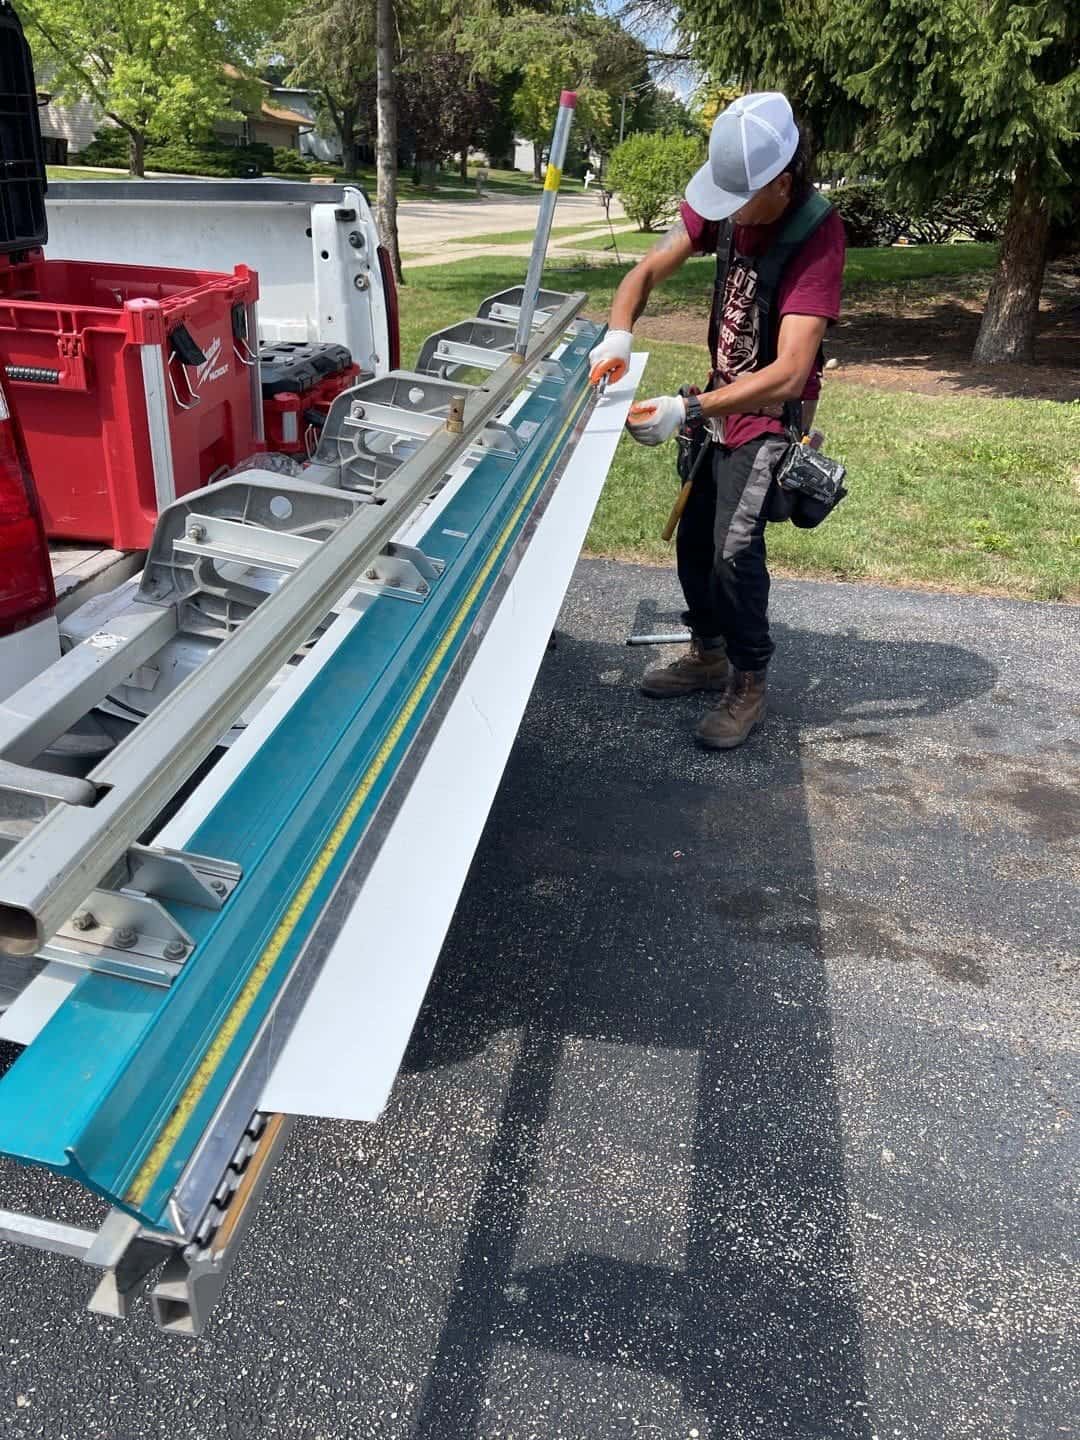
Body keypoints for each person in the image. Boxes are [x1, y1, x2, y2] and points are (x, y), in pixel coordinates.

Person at [588, 92, 845, 749]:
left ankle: (748, 681)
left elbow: (790, 371)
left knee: (734, 550)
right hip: (718, 402)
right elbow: (647, 269)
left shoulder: (816, 233)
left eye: (740, 200)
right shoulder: (730, 196)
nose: (725, 211)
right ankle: (707, 653)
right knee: (695, 539)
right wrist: (618, 333)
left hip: (770, 414)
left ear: (781, 183)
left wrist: (688, 408)